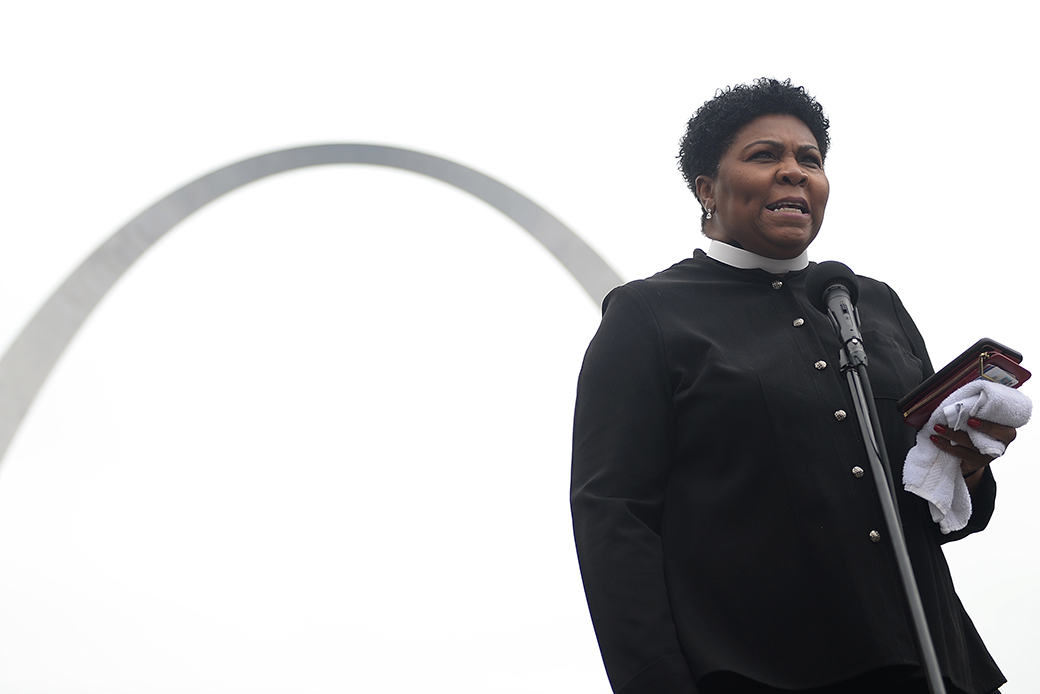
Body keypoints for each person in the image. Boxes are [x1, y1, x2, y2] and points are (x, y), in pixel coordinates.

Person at [570, 78, 1017, 694]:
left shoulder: (874, 305)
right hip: (760, 671)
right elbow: (613, 516)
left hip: (935, 663)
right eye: (764, 156)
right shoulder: (647, 315)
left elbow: (941, 510)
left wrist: (966, 465)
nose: (794, 172)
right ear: (706, 191)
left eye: (810, 160)